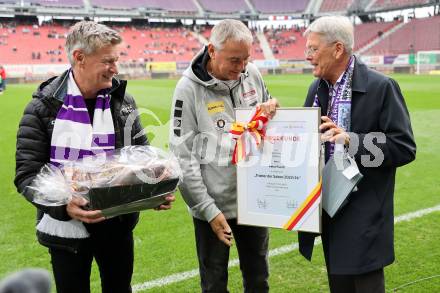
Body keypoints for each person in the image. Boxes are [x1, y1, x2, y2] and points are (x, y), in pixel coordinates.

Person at [14, 21, 175, 293]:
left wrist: (154, 189)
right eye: (108, 61)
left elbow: (143, 158)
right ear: (80, 58)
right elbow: (27, 175)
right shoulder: (42, 107)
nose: (116, 68)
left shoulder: (123, 102)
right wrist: (62, 206)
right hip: (66, 228)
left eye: (117, 60)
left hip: (117, 225)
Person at [299, 16, 416, 293]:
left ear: (337, 49)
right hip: (328, 211)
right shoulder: (316, 89)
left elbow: (403, 146)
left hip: (364, 217)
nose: (307, 56)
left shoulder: (381, 87)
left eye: (313, 49)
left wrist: (353, 142)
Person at [169, 19, 278, 293]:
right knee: (215, 283)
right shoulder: (187, 89)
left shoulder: (251, 73)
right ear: (212, 50)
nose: (241, 67)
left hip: (254, 201)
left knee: (258, 278)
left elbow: (266, 111)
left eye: (245, 59)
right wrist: (208, 209)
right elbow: (184, 158)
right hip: (213, 207)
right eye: (234, 60)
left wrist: (272, 107)